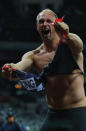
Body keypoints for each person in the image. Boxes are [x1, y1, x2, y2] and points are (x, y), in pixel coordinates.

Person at [2, 9, 86, 131]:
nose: (44, 24)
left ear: (56, 24)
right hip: (53, 114)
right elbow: (20, 66)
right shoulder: (33, 55)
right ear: (37, 27)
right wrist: (10, 68)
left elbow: (79, 47)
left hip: (77, 112)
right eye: (41, 21)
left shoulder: (69, 45)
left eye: (48, 21)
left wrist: (66, 34)